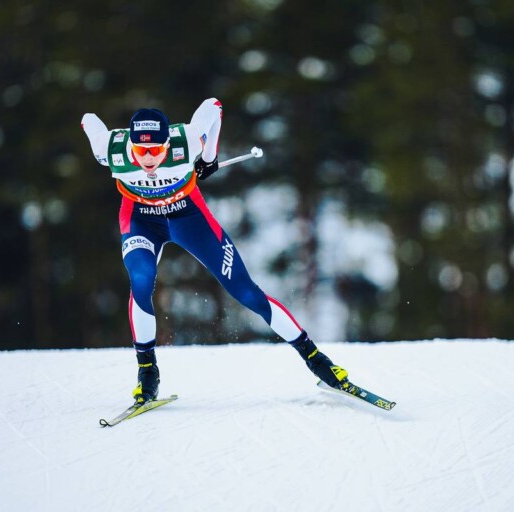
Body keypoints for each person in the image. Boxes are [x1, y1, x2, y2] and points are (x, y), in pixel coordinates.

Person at [81, 98, 348, 404]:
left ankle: (315, 359)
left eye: (156, 150)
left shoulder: (188, 141)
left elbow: (213, 106)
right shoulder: (110, 150)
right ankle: (147, 372)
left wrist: (209, 156)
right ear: (130, 145)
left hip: (187, 216)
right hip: (142, 220)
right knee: (141, 279)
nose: (149, 159)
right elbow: (89, 118)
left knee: (246, 292)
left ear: (168, 143)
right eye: (141, 151)